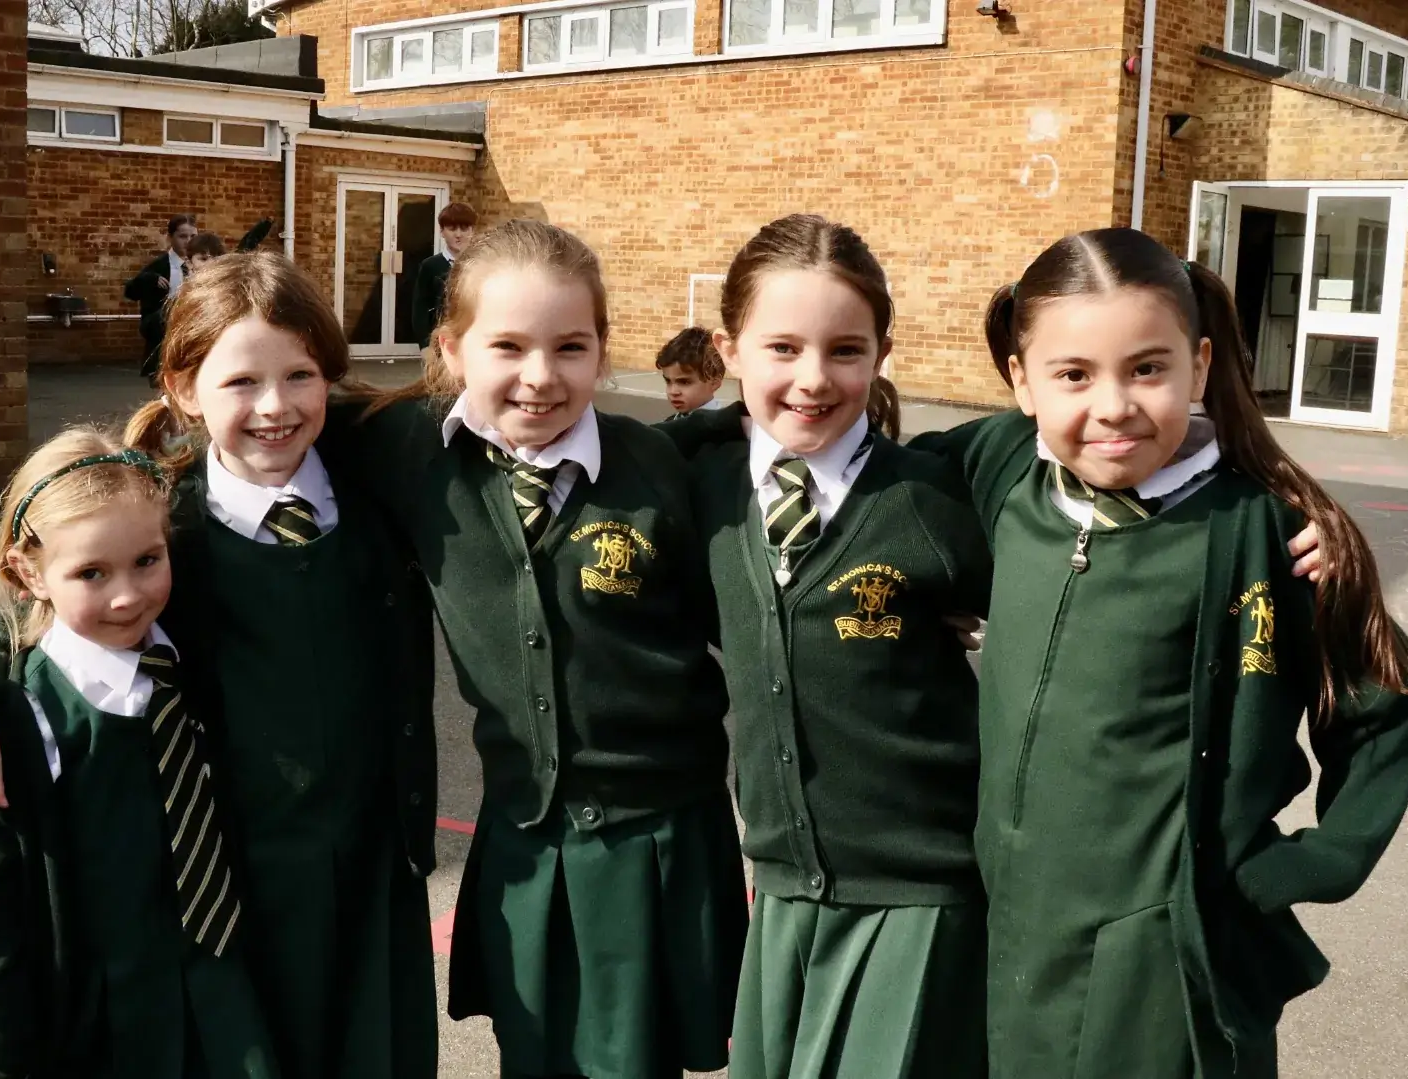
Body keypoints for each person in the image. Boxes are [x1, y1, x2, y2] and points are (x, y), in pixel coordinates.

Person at [931, 228, 1408, 1078]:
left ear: (1198, 367)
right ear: (1022, 382)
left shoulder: (1265, 534)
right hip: (1012, 920)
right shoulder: (1004, 471)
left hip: (1160, 941)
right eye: (1074, 374)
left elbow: (1385, 701)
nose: (1114, 404)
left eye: (1148, 368)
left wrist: (1315, 858)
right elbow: (867, 487)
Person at [0, 253, 440, 1079]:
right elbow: (32, 621)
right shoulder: (164, 533)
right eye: (241, 382)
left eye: (301, 374)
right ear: (182, 389)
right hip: (235, 889)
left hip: (374, 874)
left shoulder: (382, 492)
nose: (275, 407)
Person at [344, 219, 746, 1079]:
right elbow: (194, 486)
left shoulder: (665, 469)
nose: (540, 376)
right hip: (527, 832)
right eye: (508, 346)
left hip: (658, 838)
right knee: (531, 1054)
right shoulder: (402, 448)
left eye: (571, 346)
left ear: (603, 352)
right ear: (451, 349)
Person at [658, 215, 993, 1078]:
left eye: (846, 350)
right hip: (785, 887)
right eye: (782, 349)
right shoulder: (691, 487)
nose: (813, 379)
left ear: (883, 350)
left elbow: (1086, 500)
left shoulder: (936, 501)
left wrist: (1281, 517)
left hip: (919, 891)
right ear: (729, 350)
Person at [0, 426, 281, 1079]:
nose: (128, 595)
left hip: (220, 1001)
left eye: (148, 559)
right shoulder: (23, 720)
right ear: (28, 572)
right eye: (91, 572)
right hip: (105, 1027)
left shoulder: (187, 662)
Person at [126, 214, 199, 384]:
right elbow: (130, 291)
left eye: (193, 236)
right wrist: (148, 280)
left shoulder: (200, 263)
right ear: (170, 238)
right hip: (163, 335)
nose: (188, 241)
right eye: (182, 236)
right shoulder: (160, 266)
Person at [408, 202, 477, 361]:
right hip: (440, 343)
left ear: (472, 230)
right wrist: (425, 345)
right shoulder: (430, 266)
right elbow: (420, 307)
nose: (458, 234)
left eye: (464, 228)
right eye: (452, 229)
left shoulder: (481, 264)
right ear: (442, 232)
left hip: (473, 341)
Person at [655, 326, 727, 413]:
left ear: (714, 382)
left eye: (684, 382)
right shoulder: (672, 422)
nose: (673, 392)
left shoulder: (720, 425)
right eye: (668, 381)